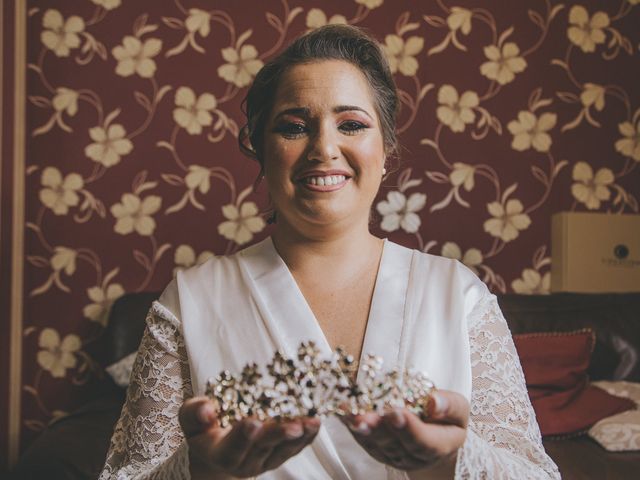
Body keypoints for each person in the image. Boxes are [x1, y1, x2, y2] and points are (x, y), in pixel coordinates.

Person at [99, 25, 560, 479]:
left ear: (386, 152)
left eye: (352, 124)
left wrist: (449, 460)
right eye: (294, 126)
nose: (323, 147)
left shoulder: (458, 295)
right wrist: (200, 470)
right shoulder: (190, 299)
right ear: (261, 150)